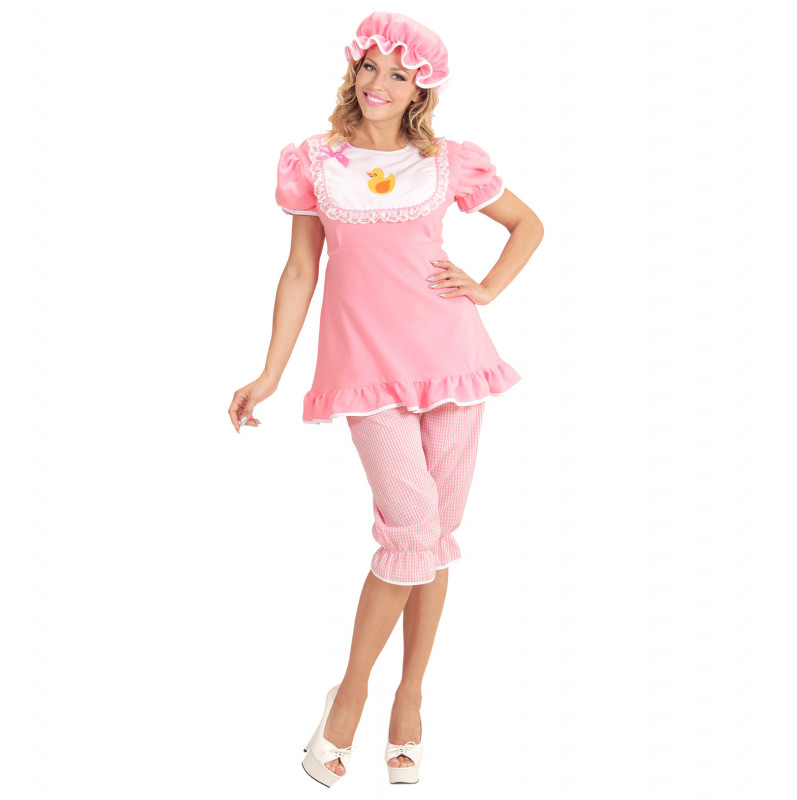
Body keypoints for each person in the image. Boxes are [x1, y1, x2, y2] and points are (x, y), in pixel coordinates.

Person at [227, 11, 543, 787]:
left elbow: (528, 226)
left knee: (434, 534)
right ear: (353, 71)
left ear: (420, 89)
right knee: (411, 528)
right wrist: (270, 372)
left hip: (454, 362)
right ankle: (351, 696)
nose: (378, 83)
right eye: (369, 66)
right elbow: (300, 271)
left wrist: (486, 288)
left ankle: (410, 697)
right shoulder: (314, 161)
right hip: (366, 371)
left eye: (398, 74)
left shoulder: (447, 162)